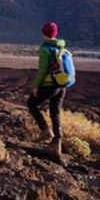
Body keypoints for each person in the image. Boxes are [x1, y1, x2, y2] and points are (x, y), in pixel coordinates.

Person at [28, 21, 67, 161]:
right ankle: (57, 142)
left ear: (44, 33)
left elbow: (42, 70)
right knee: (55, 113)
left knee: (31, 104)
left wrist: (36, 86)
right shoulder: (61, 47)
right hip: (62, 85)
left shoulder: (45, 49)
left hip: (49, 85)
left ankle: (45, 130)